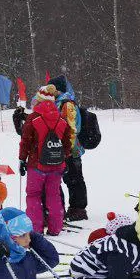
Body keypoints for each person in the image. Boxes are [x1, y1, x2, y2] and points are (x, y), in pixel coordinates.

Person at [18, 93, 73, 236]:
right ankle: (55, 228)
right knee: (53, 195)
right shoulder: (61, 119)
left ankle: (36, 230)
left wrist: (22, 159)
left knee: (33, 196)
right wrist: (64, 157)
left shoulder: (33, 118)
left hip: (36, 166)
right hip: (56, 165)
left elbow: (25, 141)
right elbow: (67, 143)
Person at [50, 75, 89, 221]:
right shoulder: (57, 103)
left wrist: (66, 149)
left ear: (57, 89)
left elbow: (72, 129)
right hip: (60, 149)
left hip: (71, 149)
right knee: (64, 179)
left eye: (51, 88)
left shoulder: (66, 104)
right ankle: (64, 208)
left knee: (74, 179)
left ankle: (78, 209)